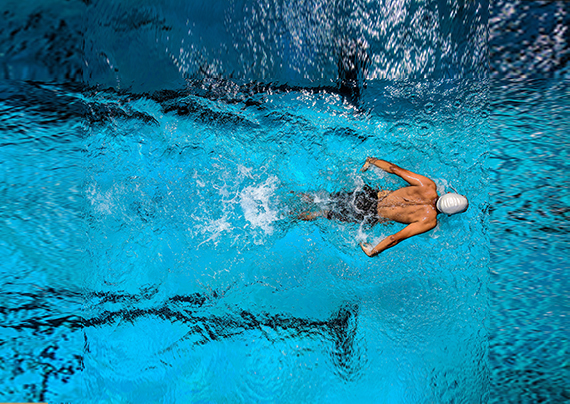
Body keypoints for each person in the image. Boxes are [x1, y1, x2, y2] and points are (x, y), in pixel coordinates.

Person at [299, 157, 469, 257]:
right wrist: (374, 251)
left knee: (323, 198)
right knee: (322, 213)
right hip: (369, 214)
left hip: (368, 195)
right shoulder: (429, 220)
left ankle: (297, 194)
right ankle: (291, 216)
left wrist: (372, 161)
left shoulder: (428, 186)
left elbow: (395, 169)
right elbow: (394, 238)